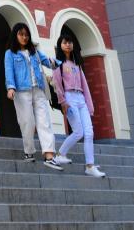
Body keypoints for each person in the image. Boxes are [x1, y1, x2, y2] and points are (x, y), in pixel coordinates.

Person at [4, 22, 63, 170]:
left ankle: (49, 155)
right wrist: (10, 87)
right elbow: (9, 71)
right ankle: (29, 151)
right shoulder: (10, 53)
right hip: (21, 91)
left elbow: (49, 63)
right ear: (15, 35)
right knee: (27, 123)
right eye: (21, 34)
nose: (24, 37)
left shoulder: (34, 51)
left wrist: (60, 63)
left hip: (39, 90)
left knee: (44, 122)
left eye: (26, 34)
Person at [52, 31, 106, 178]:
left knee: (89, 132)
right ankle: (60, 154)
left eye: (69, 42)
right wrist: (63, 101)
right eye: (64, 42)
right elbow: (57, 84)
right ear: (60, 45)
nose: (68, 44)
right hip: (69, 97)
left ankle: (90, 166)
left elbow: (85, 86)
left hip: (81, 98)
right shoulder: (58, 64)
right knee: (78, 131)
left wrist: (90, 105)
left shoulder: (77, 64)